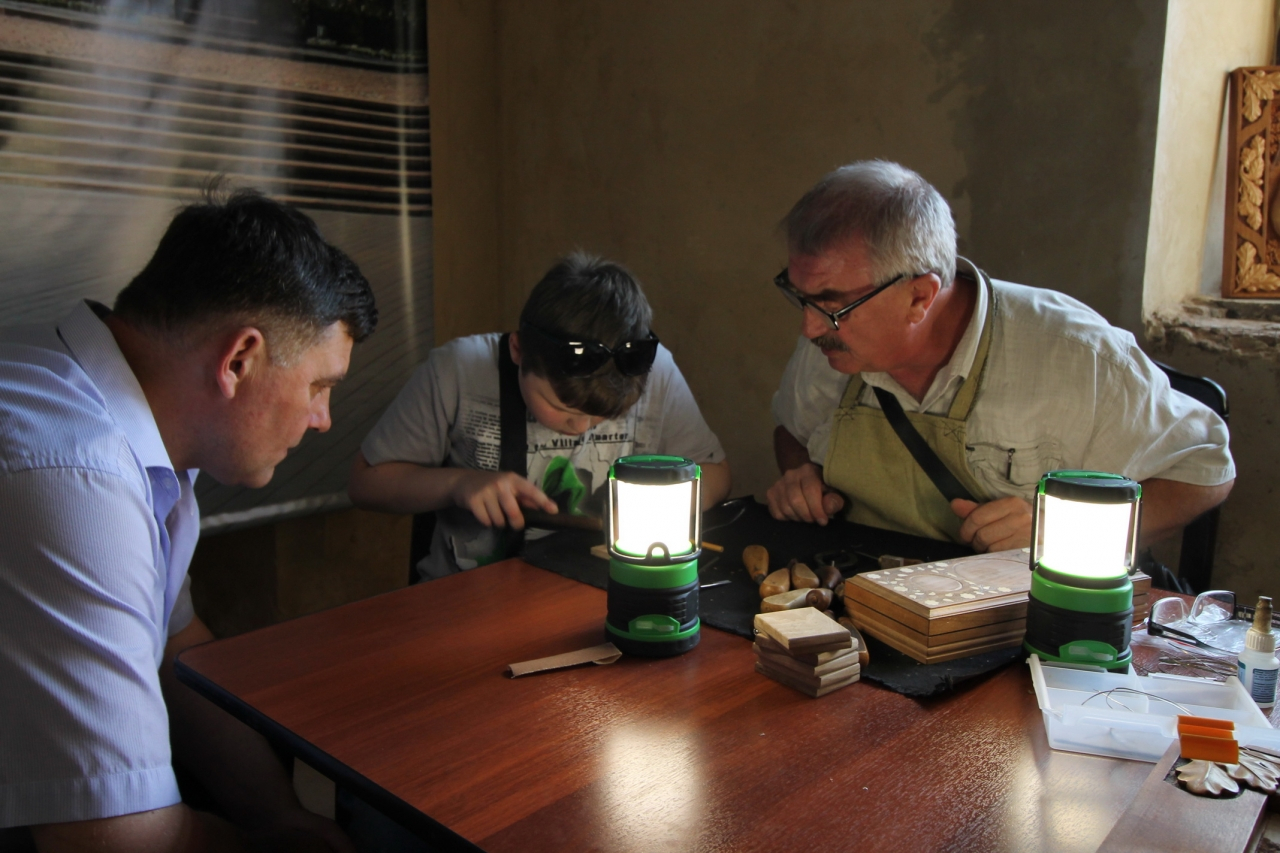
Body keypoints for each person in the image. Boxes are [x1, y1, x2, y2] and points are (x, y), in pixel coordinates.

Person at [0, 188, 378, 852]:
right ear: (238, 361)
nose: (322, 419)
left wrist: (277, 814)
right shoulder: (76, 474)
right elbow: (119, 842)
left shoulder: (139, 430)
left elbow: (177, 648)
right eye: (320, 386)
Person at [766, 160, 1234, 553]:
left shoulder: (1078, 356)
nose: (809, 328)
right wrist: (799, 475)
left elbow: (1203, 473)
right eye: (800, 297)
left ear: (920, 297)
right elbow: (793, 431)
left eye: (832, 306)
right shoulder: (833, 342)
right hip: (867, 600)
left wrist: (1057, 531)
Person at [350, 252, 730, 579]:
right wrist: (457, 483)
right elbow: (365, 483)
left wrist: (656, 507)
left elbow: (715, 475)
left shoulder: (653, 370)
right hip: (470, 597)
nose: (581, 427)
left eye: (603, 416)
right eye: (563, 409)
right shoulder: (457, 371)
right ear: (518, 350)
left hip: (598, 588)